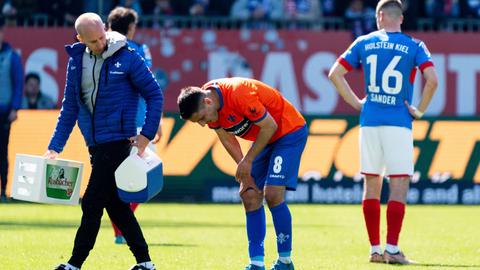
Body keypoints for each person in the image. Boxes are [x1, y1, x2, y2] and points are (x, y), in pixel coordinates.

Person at [44, 12, 163, 270]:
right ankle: (145, 262)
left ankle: (74, 263)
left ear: (105, 30)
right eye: (93, 41)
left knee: (91, 202)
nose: (100, 44)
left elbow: (155, 94)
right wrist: (55, 146)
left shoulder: (128, 55)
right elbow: (70, 107)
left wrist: (146, 135)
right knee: (117, 207)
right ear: (80, 39)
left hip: (119, 142)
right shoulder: (76, 61)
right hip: (95, 145)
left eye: (102, 37)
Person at [328, 0, 438, 265]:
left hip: (370, 121)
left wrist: (358, 104)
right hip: (399, 122)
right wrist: (419, 111)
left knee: (371, 183)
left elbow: (335, 74)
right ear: (400, 18)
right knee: (399, 183)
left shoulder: (364, 42)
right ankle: (393, 248)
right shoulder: (414, 45)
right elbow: (432, 80)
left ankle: (375, 250)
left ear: (379, 16)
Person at [177, 77, 307, 270]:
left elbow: (270, 126)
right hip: (265, 138)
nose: (204, 124)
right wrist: (245, 171)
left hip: (288, 131)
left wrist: (247, 161)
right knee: (249, 194)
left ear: (207, 102)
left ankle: (285, 261)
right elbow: (227, 139)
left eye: (202, 118)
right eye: (199, 122)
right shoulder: (210, 103)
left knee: (272, 194)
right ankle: (256, 263)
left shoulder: (239, 94)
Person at [107, 6, 157, 245]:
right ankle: (121, 230)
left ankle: (120, 230)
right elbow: (147, 87)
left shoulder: (99, 49)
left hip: (107, 125)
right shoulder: (137, 50)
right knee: (144, 177)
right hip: (136, 124)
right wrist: (152, 122)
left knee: (118, 179)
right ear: (130, 27)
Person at [0, 16, 23, 202]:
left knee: (2, 152)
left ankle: (3, 191)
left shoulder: (12, 57)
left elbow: (18, 85)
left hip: (3, 112)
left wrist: (15, 107)